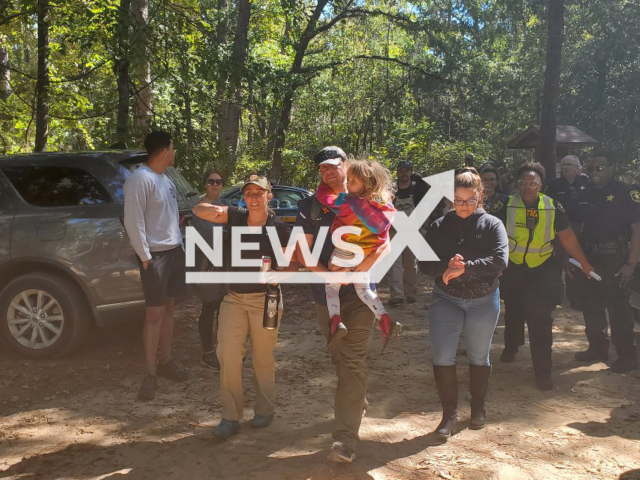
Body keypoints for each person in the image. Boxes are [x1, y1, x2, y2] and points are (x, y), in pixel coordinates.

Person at [294, 146, 391, 463]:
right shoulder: (309, 206)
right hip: (326, 292)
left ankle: (344, 440)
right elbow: (302, 252)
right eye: (322, 168)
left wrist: (359, 270)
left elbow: (386, 242)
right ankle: (356, 397)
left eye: (334, 166)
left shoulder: (370, 199)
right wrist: (329, 277)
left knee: (351, 360)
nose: (328, 171)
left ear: (347, 166)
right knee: (340, 356)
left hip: (361, 293)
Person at [193, 176, 298, 439]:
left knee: (262, 357)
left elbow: (293, 264)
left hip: (266, 300)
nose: (253, 197)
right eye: (248, 193)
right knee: (227, 355)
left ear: (269, 196)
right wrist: (220, 208)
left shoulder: (277, 227)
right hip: (233, 298)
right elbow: (198, 210)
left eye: (259, 193)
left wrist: (279, 275)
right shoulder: (237, 217)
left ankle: (265, 409)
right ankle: (230, 417)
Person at [420, 168, 508, 437]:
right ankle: (449, 414)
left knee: (479, 355)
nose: (465, 206)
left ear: (479, 196)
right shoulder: (439, 225)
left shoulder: (492, 224)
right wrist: (445, 266)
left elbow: (500, 260)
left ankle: (478, 406)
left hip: (483, 299)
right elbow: (424, 263)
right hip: (447, 298)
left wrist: (465, 267)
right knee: (443, 354)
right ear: (451, 199)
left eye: (470, 200)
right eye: (459, 200)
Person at [498, 162, 594, 390]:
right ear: (517, 184)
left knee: (540, 320)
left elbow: (567, 238)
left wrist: (584, 263)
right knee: (513, 310)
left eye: (532, 183)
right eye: (523, 183)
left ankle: (543, 371)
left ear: (540, 185)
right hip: (514, 269)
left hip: (543, 270)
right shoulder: (505, 205)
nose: (527, 187)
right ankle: (511, 345)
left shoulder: (552, 206)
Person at [123, 131, 188, 401]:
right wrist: (146, 257)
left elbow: (165, 215)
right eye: (173, 148)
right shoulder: (140, 180)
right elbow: (132, 221)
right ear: (163, 151)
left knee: (170, 309)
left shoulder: (166, 179)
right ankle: (150, 374)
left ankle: (166, 362)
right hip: (156, 258)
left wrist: (178, 236)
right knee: (154, 315)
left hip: (174, 253)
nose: (175, 152)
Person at [572, 152, 640, 372]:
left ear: (612, 167)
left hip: (615, 258)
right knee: (591, 304)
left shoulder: (626, 192)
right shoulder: (585, 193)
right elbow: (575, 226)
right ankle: (597, 348)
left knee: (618, 307)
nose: (594, 173)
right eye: (590, 168)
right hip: (589, 258)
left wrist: (631, 263)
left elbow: (637, 229)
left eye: (599, 168)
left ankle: (627, 355)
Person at [323, 159, 400, 348]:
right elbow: (384, 235)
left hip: (346, 249)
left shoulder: (351, 202)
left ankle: (335, 320)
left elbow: (328, 200)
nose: (347, 185)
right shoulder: (384, 205)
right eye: (348, 180)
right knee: (364, 290)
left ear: (367, 184)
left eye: (352, 181)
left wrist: (324, 188)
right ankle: (384, 318)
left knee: (331, 285)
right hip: (366, 254)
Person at [545, 155, 591, 311]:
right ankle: (554, 297)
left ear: (578, 168)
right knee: (557, 261)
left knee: (575, 263)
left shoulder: (587, 184)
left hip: (582, 229)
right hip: (559, 230)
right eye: (563, 164)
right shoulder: (554, 185)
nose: (566, 167)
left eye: (569, 164)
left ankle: (576, 298)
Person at [192, 169, 227, 369]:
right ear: (205, 184)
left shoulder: (226, 206)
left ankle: (223, 350)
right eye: (211, 181)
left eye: (219, 181)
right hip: (206, 265)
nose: (215, 184)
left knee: (225, 309)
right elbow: (213, 237)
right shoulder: (200, 207)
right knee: (209, 307)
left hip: (226, 266)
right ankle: (207, 352)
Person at [388, 161, 429, 306]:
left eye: (407, 170)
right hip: (394, 231)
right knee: (395, 263)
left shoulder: (418, 188)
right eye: (401, 171)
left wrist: (424, 228)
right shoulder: (391, 189)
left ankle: (411, 293)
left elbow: (425, 209)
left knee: (411, 263)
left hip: (413, 230)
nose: (404, 173)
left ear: (411, 172)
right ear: (397, 172)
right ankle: (396, 295)